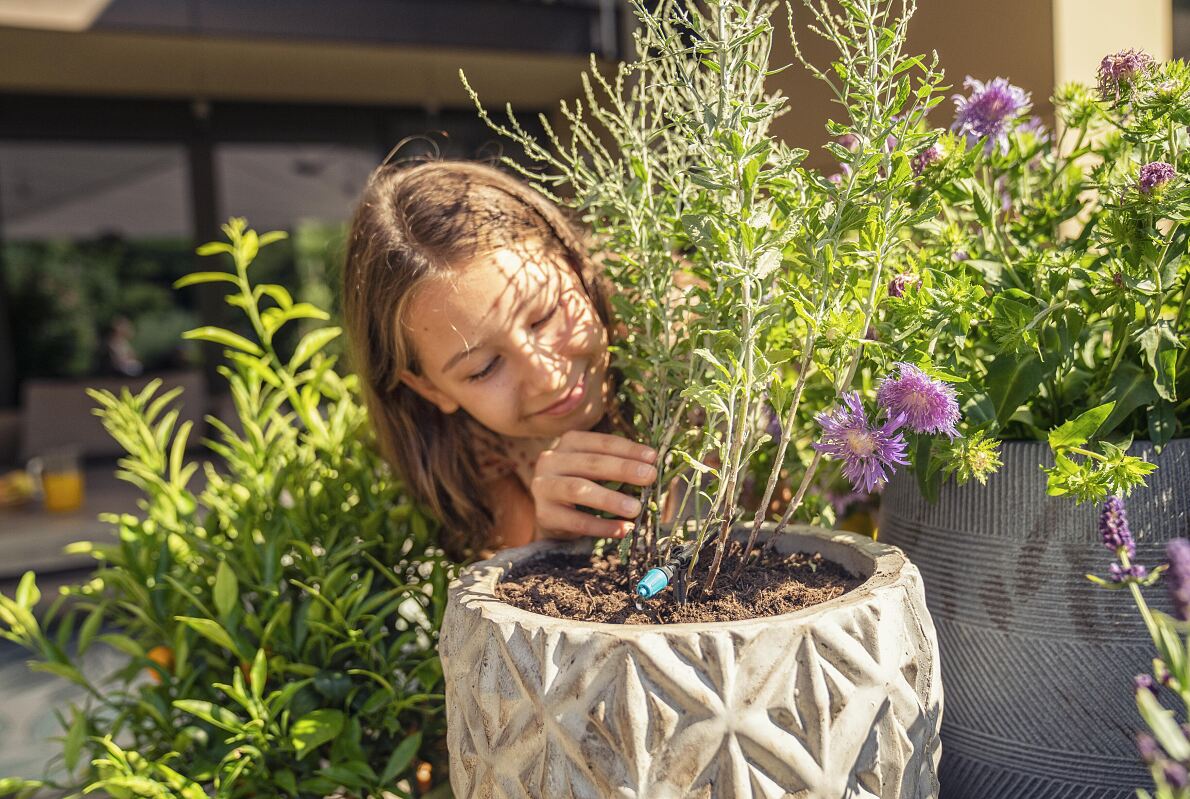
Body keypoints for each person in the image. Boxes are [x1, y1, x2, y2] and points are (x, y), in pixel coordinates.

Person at [342, 160, 658, 559]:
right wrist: (550, 535)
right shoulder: (476, 456)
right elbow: (514, 590)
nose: (547, 376)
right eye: (484, 368)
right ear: (429, 388)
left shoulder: (690, 339)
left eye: (544, 316)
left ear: (575, 266)